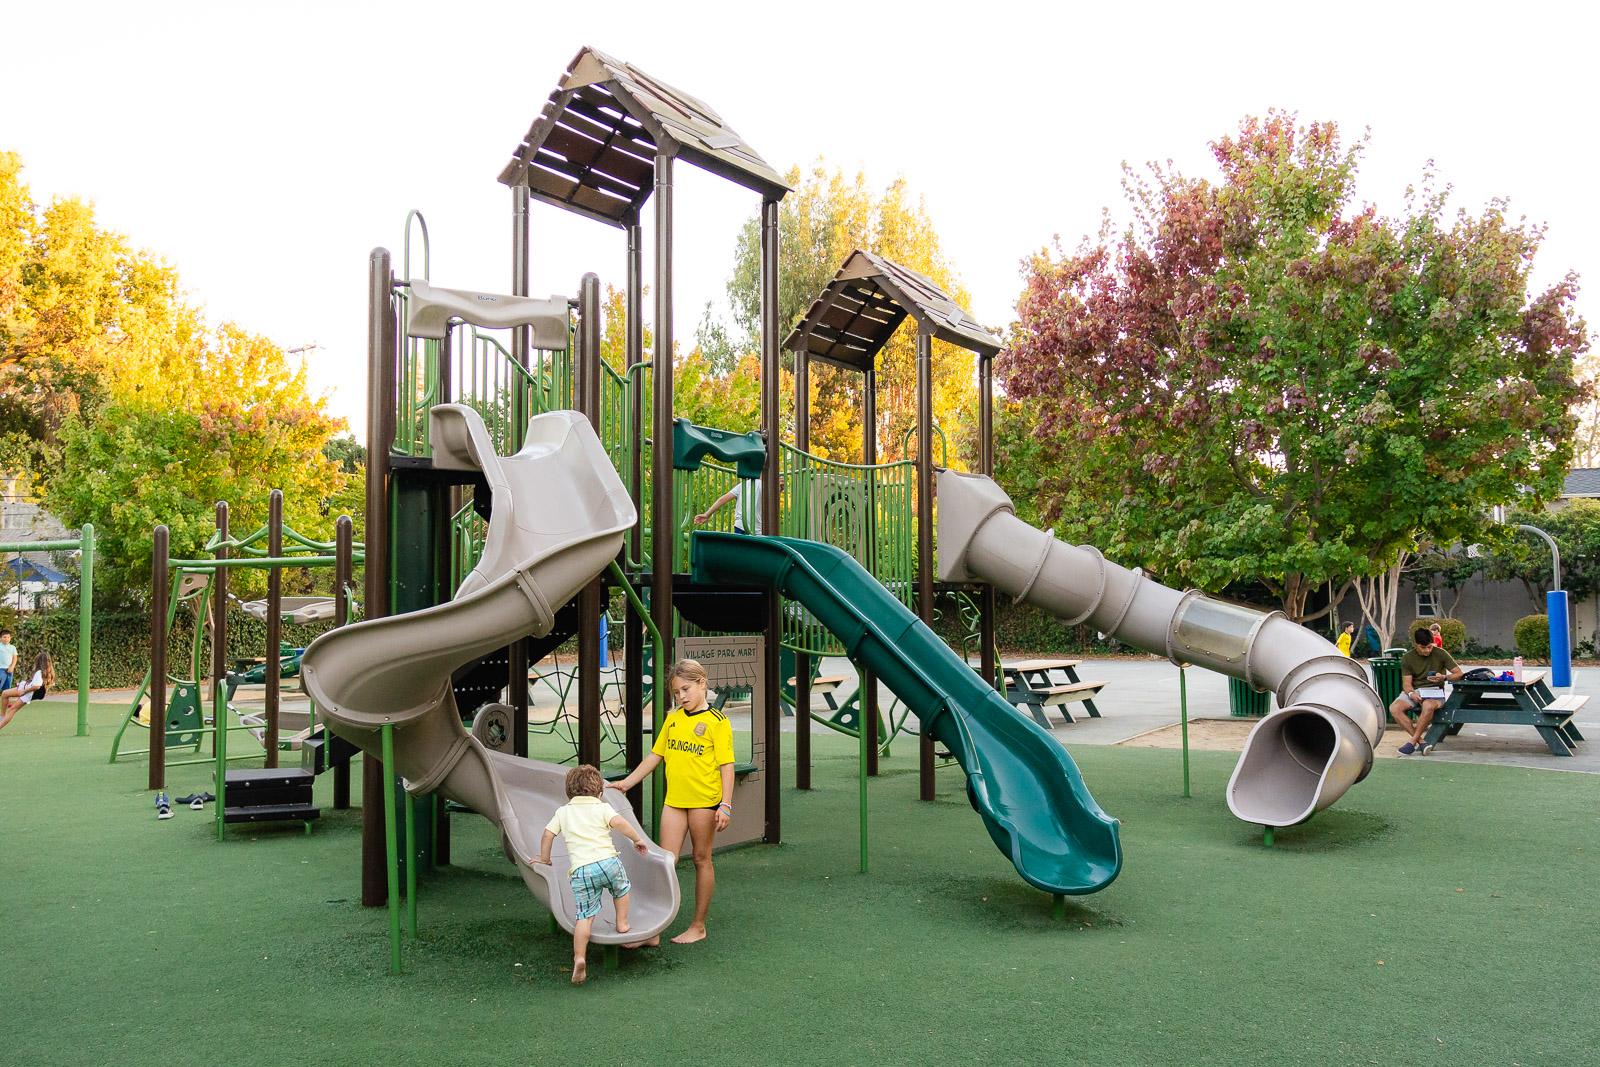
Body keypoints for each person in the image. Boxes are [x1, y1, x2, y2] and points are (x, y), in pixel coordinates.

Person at [610, 658, 733, 945]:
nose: (681, 697)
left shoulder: (717, 722)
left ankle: (698, 926)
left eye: (686, 689)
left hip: (704, 802)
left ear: (702, 683)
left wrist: (725, 805)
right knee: (666, 862)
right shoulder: (673, 718)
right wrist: (627, 783)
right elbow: (656, 755)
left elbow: (726, 766)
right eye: (677, 692)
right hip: (675, 801)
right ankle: (652, 930)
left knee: (701, 859)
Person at [534, 764, 650, 985]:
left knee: (584, 917)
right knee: (621, 890)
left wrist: (544, 859)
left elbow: (547, 835)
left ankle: (579, 957)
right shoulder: (602, 807)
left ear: (568, 795)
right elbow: (620, 823)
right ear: (599, 794)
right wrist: (637, 839)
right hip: (609, 863)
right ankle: (622, 922)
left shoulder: (563, 812)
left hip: (582, 870)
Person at [1388, 628, 1463, 755]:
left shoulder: (1441, 653)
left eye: (1429, 647)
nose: (1427, 650)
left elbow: (1459, 673)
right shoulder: (1408, 658)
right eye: (1423, 647)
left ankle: (1412, 742)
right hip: (1415, 691)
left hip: (1435, 691)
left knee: (1428, 705)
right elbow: (1407, 684)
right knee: (1394, 708)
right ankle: (1422, 742)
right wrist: (1412, 694)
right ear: (1415, 644)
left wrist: (1444, 677)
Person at [694, 476, 785, 535]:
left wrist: (707, 514)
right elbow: (772, 500)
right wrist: (779, 488)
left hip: (741, 525)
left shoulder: (742, 485)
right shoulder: (764, 486)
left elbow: (722, 499)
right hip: (758, 530)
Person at [0, 651, 53, 732]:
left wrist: (24, 691)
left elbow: (37, 686)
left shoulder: (39, 673)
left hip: (28, 692)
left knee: (12, 710)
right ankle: (2, 717)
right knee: (5, 694)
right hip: (26, 687)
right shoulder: (46, 672)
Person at [0, 628, 16, 694]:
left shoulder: (12, 647)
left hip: (9, 670)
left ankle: (6, 700)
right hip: (1, 669)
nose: (6, 639)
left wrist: (12, 667)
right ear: (0, 638)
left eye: (8, 637)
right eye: (4, 637)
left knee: (7, 688)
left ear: (10, 638)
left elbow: (15, 658)